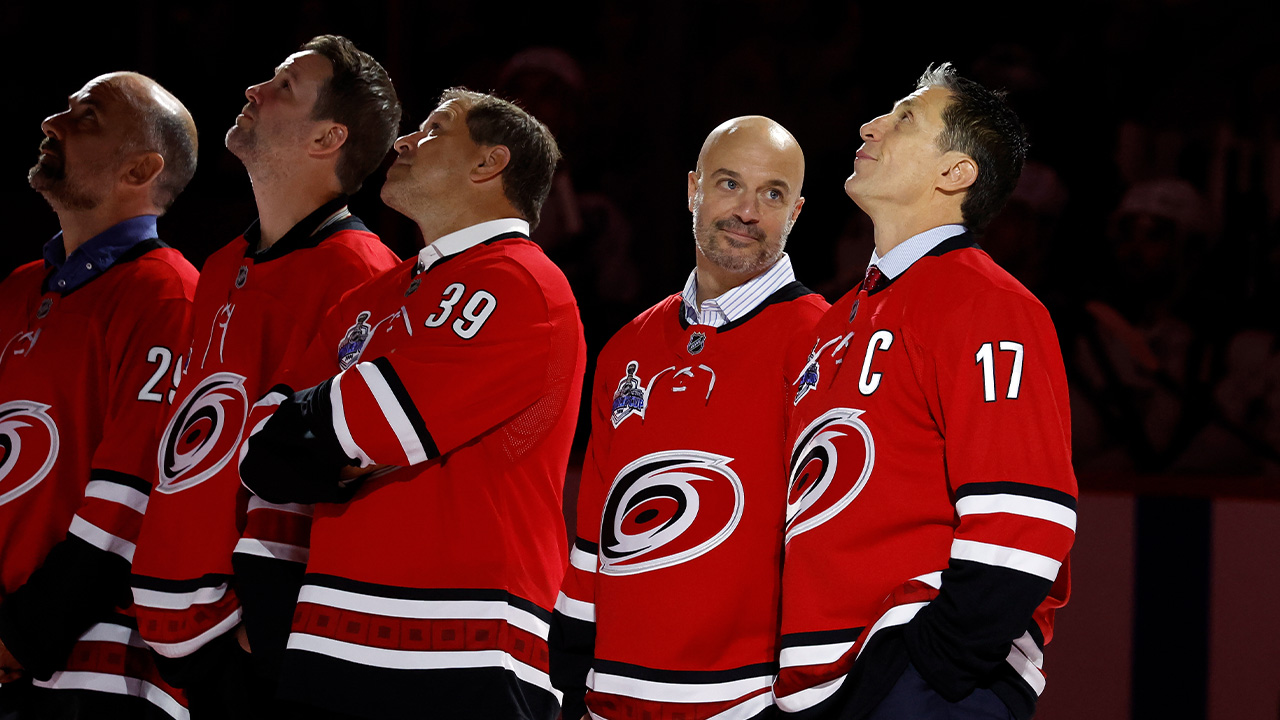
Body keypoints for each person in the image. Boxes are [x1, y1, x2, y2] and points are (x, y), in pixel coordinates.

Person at [236, 88, 585, 720]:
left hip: (464, 653)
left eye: (434, 129)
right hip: (324, 642)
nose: (404, 141)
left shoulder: (522, 283)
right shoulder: (368, 298)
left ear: (489, 164)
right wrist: (345, 436)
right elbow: (263, 452)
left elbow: (349, 427)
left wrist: (336, 438)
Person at [773, 64, 1076, 720]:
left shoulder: (989, 302)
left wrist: (929, 666)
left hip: (924, 680)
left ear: (955, 173)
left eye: (904, 117)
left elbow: (1025, 521)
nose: (871, 125)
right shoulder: (831, 321)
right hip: (818, 682)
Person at [128, 35, 401, 716]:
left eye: (283, 86)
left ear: (328, 136)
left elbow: (341, 468)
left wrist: (267, 631)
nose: (255, 90)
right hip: (179, 637)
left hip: (258, 650)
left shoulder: (363, 273)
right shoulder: (221, 264)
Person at [549, 116, 829, 720]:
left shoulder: (824, 342)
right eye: (729, 184)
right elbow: (594, 528)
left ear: (796, 214)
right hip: (609, 695)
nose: (748, 211)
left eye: (772, 194)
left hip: (746, 700)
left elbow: (829, 545)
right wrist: (571, 671)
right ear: (692, 190)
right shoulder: (628, 345)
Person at [0, 72, 199, 719]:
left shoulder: (169, 294)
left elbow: (133, 497)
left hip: (92, 667)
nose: (51, 124)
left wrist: (22, 634)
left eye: (84, 117)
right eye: (62, 109)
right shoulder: (18, 289)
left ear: (141, 167)